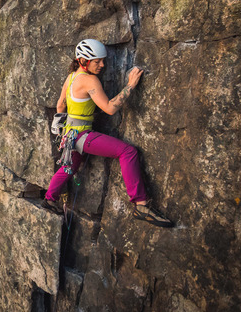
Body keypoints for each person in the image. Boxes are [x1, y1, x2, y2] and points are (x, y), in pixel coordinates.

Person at [42, 39, 173, 227]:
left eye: (102, 60)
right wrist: (131, 85)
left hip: (70, 134)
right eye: (97, 61)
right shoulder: (89, 80)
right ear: (83, 61)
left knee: (70, 167)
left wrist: (62, 129)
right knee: (127, 152)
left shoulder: (71, 77)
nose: (102, 65)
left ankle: (49, 199)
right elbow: (110, 108)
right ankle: (141, 204)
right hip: (81, 136)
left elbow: (61, 104)